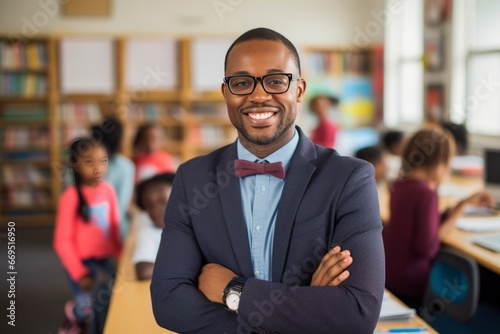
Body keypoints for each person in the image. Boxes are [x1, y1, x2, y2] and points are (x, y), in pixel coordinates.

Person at [151, 28, 385, 334]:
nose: (259, 95)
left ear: (299, 90)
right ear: (226, 93)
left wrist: (233, 292)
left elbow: (357, 312)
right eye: (241, 82)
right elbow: (169, 302)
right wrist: (305, 312)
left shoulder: (350, 179)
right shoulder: (192, 179)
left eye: (276, 81)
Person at [383, 128, 494, 309]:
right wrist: (458, 213)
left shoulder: (400, 186)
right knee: (487, 283)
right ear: (438, 162)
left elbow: (419, 225)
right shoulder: (426, 193)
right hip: (412, 283)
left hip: (390, 275)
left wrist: (462, 204)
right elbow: (428, 248)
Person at [54, 138, 122, 334]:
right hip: (81, 263)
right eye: (89, 162)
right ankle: (73, 314)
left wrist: (120, 254)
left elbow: (114, 227)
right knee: (86, 309)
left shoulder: (108, 190)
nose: (98, 168)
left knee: (106, 302)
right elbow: (62, 242)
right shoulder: (70, 197)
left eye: (103, 160)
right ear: (75, 165)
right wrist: (79, 272)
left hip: (104, 259)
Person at [91, 118, 135, 240]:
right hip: (113, 233)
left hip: (85, 229)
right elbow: (120, 206)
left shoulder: (81, 163)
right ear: (119, 140)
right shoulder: (125, 167)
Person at [132, 172, 175, 280]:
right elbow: (144, 271)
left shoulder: (195, 226)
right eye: (149, 207)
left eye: (162, 203)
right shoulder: (148, 233)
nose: (155, 212)